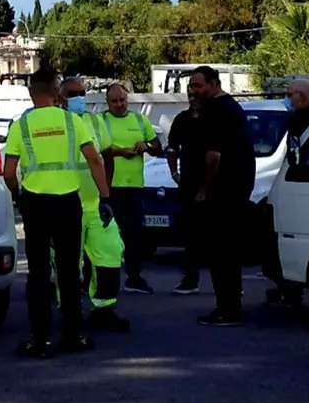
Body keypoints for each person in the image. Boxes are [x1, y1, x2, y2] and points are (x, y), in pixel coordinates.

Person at [3, 68, 114, 359]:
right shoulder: (71, 121)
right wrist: (104, 197)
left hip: (36, 204)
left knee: (38, 271)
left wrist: (19, 197)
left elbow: (8, 172)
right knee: (68, 270)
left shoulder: (21, 125)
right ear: (56, 92)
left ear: (30, 93)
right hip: (68, 203)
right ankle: (73, 335)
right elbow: (95, 160)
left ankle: (39, 340)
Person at [187, 65, 256, 327]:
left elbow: (213, 156)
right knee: (226, 253)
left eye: (199, 85)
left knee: (221, 253)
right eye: (192, 86)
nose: (195, 91)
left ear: (214, 84)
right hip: (232, 191)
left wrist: (204, 188)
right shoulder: (227, 109)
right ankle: (229, 305)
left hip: (223, 193)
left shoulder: (220, 111)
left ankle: (227, 309)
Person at [60, 77, 130, 332]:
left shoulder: (94, 121)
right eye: (72, 93)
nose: (79, 98)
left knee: (110, 252)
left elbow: (106, 157)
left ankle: (104, 307)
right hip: (66, 204)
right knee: (68, 262)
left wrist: (106, 195)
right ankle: (69, 311)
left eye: (82, 93)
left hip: (94, 203)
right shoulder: (57, 123)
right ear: (60, 96)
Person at [260, 78, 309, 306]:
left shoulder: (307, 118)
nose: (287, 98)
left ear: (302, 96)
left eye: (290, 94)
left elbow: (298, 154)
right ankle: (285, 286)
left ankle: (290, 287)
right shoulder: (307, 117)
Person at [101, 83, 162, 294]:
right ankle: (103, 281)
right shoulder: (101, 121)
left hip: (134, 187)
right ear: (107, 102)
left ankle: (134, 277)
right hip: (109, 187)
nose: (119, 105)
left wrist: (146, 146)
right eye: (114, 101)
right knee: (107, 237)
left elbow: (157, 147)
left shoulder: (139, 119)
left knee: (134, 234)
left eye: (123, 100)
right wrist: (120, 152)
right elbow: (97, 150)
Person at [167, 87, 203, 294]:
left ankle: (228, 284)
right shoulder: (182, 119)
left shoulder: (213, 118)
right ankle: (190, 278)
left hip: (213, 181)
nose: (194, 100)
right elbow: (172, 147)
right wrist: (174, 173)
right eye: (191, 97)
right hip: (188, 182)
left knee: (217, 234)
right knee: (190, 233)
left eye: (197, 96)